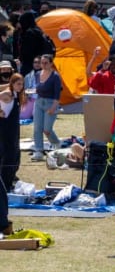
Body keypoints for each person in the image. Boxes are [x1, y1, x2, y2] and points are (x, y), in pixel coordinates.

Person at [0, 71, 25, 235]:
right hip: (4, 132)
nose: (20, 86)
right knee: (8, 158)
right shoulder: (7, 94)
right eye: (17, 83)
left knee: (15, 157)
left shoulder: (16, 95)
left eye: (22, 84)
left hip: (12, 132)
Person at [31, 54, 62, 161]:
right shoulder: (37, 74)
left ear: (51, 63)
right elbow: (38, 89)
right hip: (39, 102)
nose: (43, 65)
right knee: (37, 128)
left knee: (47, 130)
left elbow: (57, 94)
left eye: (45, 63)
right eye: (41, 63)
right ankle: (38, 151)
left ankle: (57, 143)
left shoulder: (55, 76)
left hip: (51, 103)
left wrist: (54, 107)